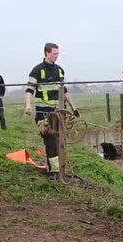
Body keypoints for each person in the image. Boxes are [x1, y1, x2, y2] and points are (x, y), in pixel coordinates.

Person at [25, 43, 79, 179]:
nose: (56, 56)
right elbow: (30, 89)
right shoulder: (37, 70)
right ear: (46, 53)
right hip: (44, 114)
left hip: (59, 114)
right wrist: (28, 105)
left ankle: (59, 169)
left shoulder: (60, 70)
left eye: (57, 53)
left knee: (59, 141)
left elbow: (64, 91)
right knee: (50, 142)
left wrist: (73, 107)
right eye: (54, 53)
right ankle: (53, 172)